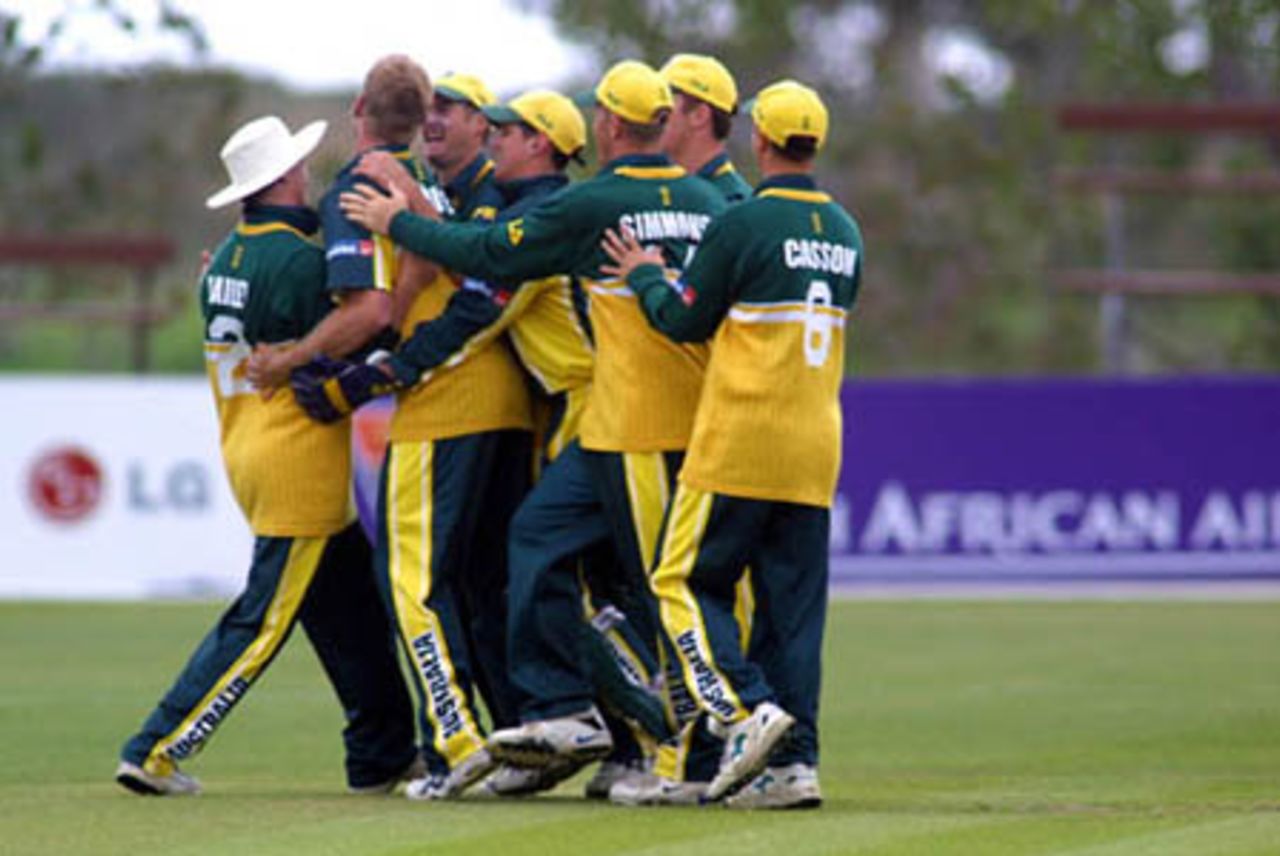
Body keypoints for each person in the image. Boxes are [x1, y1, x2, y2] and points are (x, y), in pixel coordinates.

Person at [337, 59, 726, 781]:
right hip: (603, 407)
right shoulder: (580, 204)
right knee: (589, 577)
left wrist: (386, 362)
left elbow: (482, 295)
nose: (498, 139)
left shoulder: (553, 214)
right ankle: (626, 737)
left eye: (511, 130)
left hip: (594, 412)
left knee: (582, 573)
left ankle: (638, 722)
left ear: (544, 143)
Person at [115, 114, 418, 797]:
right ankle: (156, 747)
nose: (307, 176)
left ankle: (383, 753)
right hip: (297, 457)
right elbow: (370, 318)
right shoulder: (299, 261)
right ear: (283, 177)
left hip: (247, 442)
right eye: (299, 169)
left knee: (350, 611)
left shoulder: (224, 257)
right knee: (262, 620)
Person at [600, 79, 863, 809]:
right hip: (815, 444)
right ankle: (795, 766)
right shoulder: (846, 231)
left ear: (761, 141)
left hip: (742, 436)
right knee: (791, 615)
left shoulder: (743, 222)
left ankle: (744, 715)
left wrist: (648, 275)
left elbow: (684, 320)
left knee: (679, 580)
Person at [659, 53, 752, 203]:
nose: (653, 111)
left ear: (699, 115)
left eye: (665, 101)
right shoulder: (659, 192)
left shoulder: (736, 204)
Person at [426, 73, 505, 222]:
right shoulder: (424, 185)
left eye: (442, 111)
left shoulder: (499, 192)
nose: (429, 121)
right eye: (427, 110)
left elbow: (458, 243)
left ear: (480, 123)